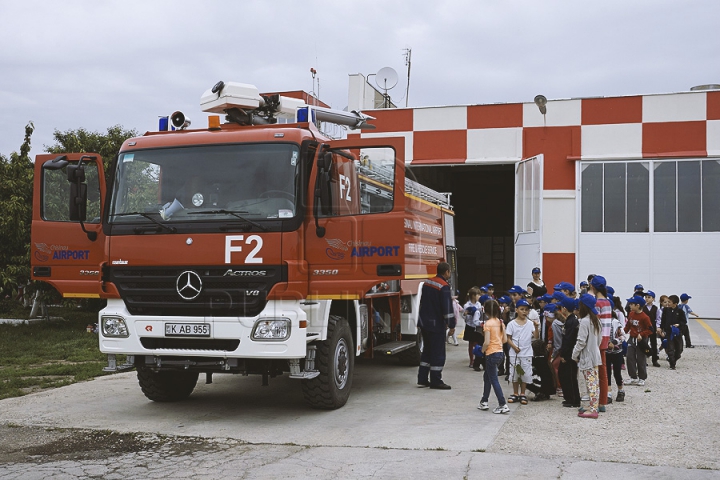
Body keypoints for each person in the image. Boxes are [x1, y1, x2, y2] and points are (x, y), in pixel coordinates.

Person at [417, 262, 455, 390]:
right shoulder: (443, 286)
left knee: (427, 351)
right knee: (438, 353)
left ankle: (422, 378)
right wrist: (452, 325)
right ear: (446, 272)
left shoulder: (428, 283)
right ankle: (436, 380)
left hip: (424, 323)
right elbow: (447, 308)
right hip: (436, 325)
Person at [573, 294, 603, 419]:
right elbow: (600, 339)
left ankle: (593, 410)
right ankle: (593, 406)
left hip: (587, 356)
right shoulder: (596, 320)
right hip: (595, 354)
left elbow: (581, 341)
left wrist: (574, 354)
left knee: (590, 383)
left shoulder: (585, 321)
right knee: (594, 382)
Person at [478, 299, 510, 414]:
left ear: (485, 311)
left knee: (494, 379)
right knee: (487, 377)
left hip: (491, 353)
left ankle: (502, 404)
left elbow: (486, 342)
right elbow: (505, 340)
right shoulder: (500, 323)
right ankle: (484, 401)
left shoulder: (487, 324)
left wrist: (481, 351)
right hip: (500, 353)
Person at [505, 299, 540, 405]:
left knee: (525, 373)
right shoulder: (512, 324)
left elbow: (536, 337)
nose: (524, 312)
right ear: (516, 310)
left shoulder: (530, 324)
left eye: (526, 310)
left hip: (527, 352)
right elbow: (508, 338)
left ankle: (523, 393)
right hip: (514, 353)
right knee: (515, 372)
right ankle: (515, 393)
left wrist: (536, 327)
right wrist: (514, 347)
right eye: (522, 309)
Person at [588, 275, 611, 412]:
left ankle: (598, 401)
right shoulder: (608, 302)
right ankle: (602, 400)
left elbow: (594, 323)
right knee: (603, 372)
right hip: (605, 340)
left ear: (592, 287)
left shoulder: (597, 304)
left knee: (595, 373)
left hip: (597, 341)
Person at [624, 296, 654, 387]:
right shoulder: (631, 314)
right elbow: (628, 325)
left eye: (632, 304)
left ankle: (642, 378)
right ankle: (633, 377)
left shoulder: (645, 317)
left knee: (641, 359)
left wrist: (642, 334)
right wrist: (622, 332)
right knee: (629, 357)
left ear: (638, 305)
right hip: (632, 339)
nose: (629, 305)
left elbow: (651, 329)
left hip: (641, 340)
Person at [558, 297, 581, 408]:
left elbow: (569, 339)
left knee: (570, 376)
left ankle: (574, 399)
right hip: (569, 352)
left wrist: (564, 355)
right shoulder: (570, 320)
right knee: (564, 375)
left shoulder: (572, 322)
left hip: (570, 354)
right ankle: (569, 397)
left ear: (565, 308)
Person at [660, 295, 687, 370]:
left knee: (679, 349)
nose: (668, 303)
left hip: (677, 332)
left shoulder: (680, 311)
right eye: (667, 301)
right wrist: (661, 328)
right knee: (670, 348)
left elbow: (684, 321)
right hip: (669, 332)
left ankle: (674, 358)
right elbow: (663, 320)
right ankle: (672, 364)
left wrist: (679, 325)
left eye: (669, 302)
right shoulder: (666, 310)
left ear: (675, 303)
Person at [606, 309, 626, 402]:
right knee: (607, 373)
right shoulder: (600, 321)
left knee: (617, 373)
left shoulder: (615, 322)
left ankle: (621, 390)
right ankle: (608, 393)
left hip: (617, 351)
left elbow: (623, 336)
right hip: (605, 351)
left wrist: (614, 342)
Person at [462, 287, 483, 368]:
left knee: (477, 343)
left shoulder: (479, 304)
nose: (479, 296)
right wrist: (466, 314)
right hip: (470, 326)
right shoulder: (467, 305)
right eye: (478, 295)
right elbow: (464, 317)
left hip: (477, 326)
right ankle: (472, 360)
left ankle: (477, 359)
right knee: (471, 344)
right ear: (473, 296)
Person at [643, 291, 661, 367]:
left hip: (652, 328)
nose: (647, 299)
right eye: (646, 297)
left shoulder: (656, 308)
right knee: (644, 344)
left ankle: (654, 360)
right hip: (644, 328)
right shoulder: (643, 307)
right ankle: (644, 360)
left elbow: (658, 318)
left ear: (653, 299)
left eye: (649, 297)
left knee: (653, 344)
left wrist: (658, 327)